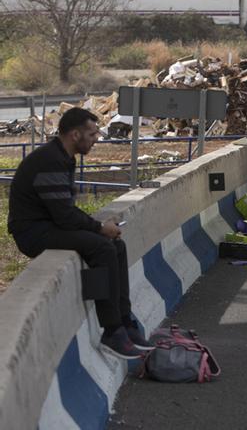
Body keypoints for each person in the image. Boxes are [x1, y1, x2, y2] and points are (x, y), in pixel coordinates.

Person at [7, 108, 153, 359]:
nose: (97, 138)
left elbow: (64, 211)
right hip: (33, 232)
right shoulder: (50, 161)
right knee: (102, 248)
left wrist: (101, 229)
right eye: (93, 133)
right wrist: (98, 227)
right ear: (75, 134)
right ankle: (112, 330)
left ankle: (124, 321)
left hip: (49, 225)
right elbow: (64, 215)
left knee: (116, 246)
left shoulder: (63, 156)